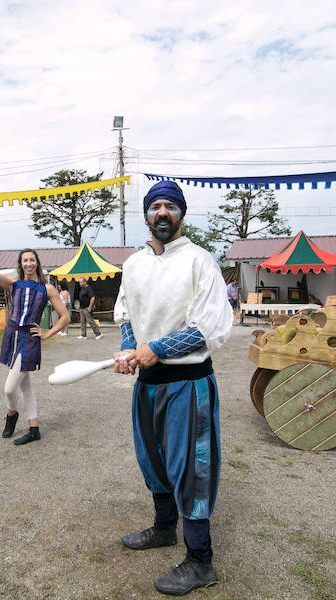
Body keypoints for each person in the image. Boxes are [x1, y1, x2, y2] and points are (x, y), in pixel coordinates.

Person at [111, 181, 232, 596]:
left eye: (171, 207)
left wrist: (156, 349)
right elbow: (126, 312)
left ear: (182, 214)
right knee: (154, 461)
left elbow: (209, 329)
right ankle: (164, 528)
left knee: (191, 471)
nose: (162, 213)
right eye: (155, 206)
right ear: (145, 215)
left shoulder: (200, 261)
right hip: (148, 384)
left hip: (188, 383)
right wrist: (130, 349)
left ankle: (201, 561)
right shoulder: (134, 263)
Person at [0, 242, 70, 445]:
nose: (29, 263)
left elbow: (64, 317)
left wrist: (46, 334)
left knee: (10, 389)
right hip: (12, 335)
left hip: (30, 339)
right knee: (24, 386)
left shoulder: (47, 288)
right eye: (25, 260)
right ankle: (34, 428)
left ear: (37, 263)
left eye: (32, 259)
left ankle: (12, 415)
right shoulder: (14, 284)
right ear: (21, 264)